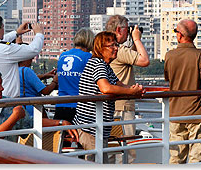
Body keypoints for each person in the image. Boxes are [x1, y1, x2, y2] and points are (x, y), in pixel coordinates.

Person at [72, 31, 145, 162]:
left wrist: (135, 89)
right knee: (96, 162)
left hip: (98, 128)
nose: (116, 48)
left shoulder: (106, 66)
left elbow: (120, 85)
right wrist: (131, 92)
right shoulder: (97, 64)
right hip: (90, 128)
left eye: (116, 45)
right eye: (111, 46)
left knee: (101, 161)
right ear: (100, 49)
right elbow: (105, 88)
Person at [164, 19, 201, 164]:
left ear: (180, 36)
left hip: (176, 113)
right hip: (197, 113)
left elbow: (169, 79)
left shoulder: (169, 56)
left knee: (176, 158)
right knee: (199, 159)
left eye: (175, 31)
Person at [0, 67, 78, 141]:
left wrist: (60, 123)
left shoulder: (8, 104)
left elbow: (31, 122)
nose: (2, 88)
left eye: (1, 84)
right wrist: (15, 117)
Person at [105, 15, 149, 163]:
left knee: (111, 151)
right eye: (127, 29)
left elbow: (130, 57)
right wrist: (136, 39)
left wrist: (134, 42)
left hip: (109, 107)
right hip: (122, 108)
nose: (129, 32)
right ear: (119, 30)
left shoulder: (107, 47)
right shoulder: (119, 49)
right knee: (127, 151)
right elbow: (144, 61)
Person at [0, 14, 44, 98]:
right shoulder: (6, 49)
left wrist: (16, 33)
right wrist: (39, 34)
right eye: (2, 28)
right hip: (6, 100)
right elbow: (33, 49)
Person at [54, 28, 94, 123]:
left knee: (61, 136)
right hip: (79, 106)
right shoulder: (88, 57)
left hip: (61, 105)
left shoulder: (62, 56)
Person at [18, 49, 58, 117]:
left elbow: (28, 79)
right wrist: (55, 80)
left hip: (21, 108)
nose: (32, 59)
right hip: (33, 110)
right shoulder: (26, 71)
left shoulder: (14, 70)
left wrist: (44, 76)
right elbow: (46, 91)